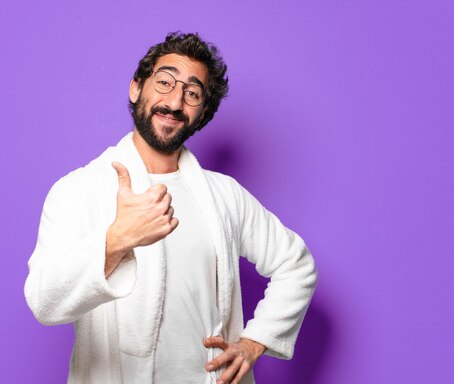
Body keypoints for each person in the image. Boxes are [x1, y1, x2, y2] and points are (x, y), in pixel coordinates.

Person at [24, 32, 317, 384]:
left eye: (192, 93)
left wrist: (257, 341)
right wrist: (116, 241)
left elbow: (295, 265)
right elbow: (43, 301)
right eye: (164, 82)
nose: (175, 102)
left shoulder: (225, 196)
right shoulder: (78, 190)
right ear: (136, 89)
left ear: (202, 113)